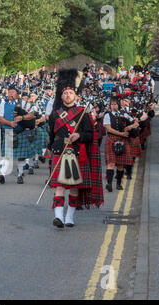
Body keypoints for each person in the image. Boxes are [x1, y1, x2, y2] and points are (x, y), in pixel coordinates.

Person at [47, 69, 103, 228]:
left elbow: (90, 135)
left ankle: (69, 216)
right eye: (65, 93)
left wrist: (79, 136)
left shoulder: (83, 114)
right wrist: (49, 147)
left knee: (73, 187)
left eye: (70, 93)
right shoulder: (55, 114)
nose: (67, 95)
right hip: (59, 151)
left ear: (76, 96)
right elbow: (51, 134)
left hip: (76, 152)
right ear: (61, 96)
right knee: (59, 186)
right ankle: (58, 216)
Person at [0, 86, 36, 184]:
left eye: (13, 92)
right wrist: (10, 123)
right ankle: (2, 174)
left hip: (21, 132)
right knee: (7, 155)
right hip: (9, 131)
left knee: (21, 156)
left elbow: (31, 114)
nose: (10, 94)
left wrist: (22, 117)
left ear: (17, 94)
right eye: (9, 92)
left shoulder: (24, 103)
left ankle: (20, 175)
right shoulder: (3, 104)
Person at [103, 97, 137, 191]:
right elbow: (109, 129)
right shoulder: (107, 115)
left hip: (122, 141)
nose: (113, 106)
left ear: (118, 105)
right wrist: (122, 133)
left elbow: (136, 123)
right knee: (111, 163)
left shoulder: (124, 115)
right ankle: (109, 184)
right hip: (111, 140)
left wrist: (129, 127)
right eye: (112, 104)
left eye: (115, 104)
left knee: (121, 164)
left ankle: (118, 184)